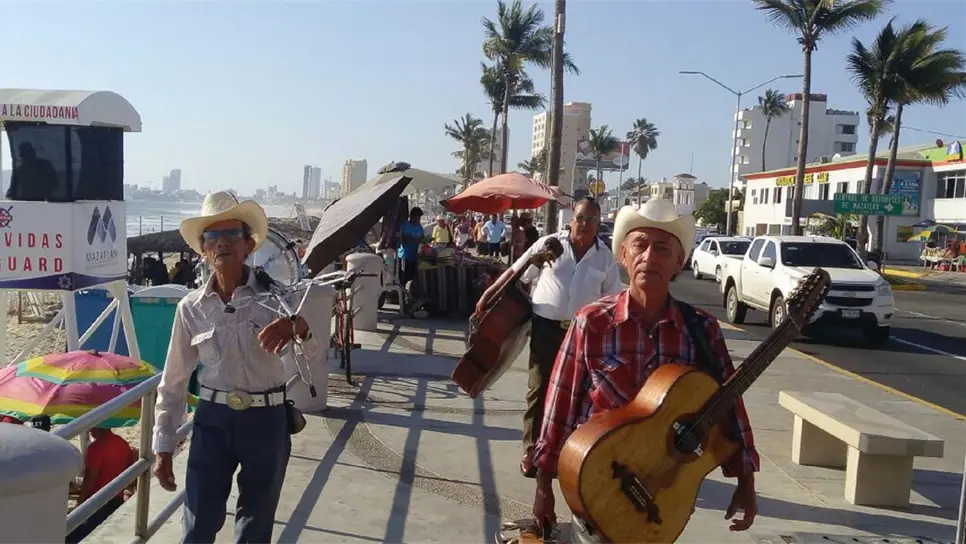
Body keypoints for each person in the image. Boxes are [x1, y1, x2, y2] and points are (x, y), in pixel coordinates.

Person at [529, 199, 760, 541]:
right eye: (640, 245)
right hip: (597, 481)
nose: (649, 256)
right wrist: (543, 486)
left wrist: (745, 480)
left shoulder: (701, 330)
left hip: (662, 497)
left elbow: (730, 405)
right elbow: (559, 407)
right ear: (623, 256)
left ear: (679, 262)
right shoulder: (592, 323)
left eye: (663, 248)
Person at [153, 191, 319, 543]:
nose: (222, 242)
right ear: (203, 249)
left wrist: (298, 328)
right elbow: (174, 380)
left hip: (267, 421)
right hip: (212, 421)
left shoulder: (279, 298)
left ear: (249, 245)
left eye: (231, 233)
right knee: (197, 524)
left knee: (254, 528)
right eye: (213, 235)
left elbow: (314, 356)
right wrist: (163, 445)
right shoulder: (190, 308)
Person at [476, 196, 621, 479]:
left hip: (581, 334)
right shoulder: (549, 244)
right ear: (571, 220)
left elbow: (612, 301)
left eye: (591, 220)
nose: (585, 224)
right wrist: (486, 296)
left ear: (598, 224)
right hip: (545, 327)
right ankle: (531, 450)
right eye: (580, 218)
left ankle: (564, 452)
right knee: (539, 387)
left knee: (575, 394)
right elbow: (517, 271)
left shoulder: (605, 258)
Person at [67, 428, 136, 544]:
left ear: (99, 427)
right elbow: (129, 468)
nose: (89, 431)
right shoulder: (122, 443)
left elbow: (91, 477)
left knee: (73, 536)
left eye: (92, 427)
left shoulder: (96, 448)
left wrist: (80, 500)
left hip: (97, 501)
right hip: (117, 499)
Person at [398, 207, 425, 306]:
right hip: (405, 256)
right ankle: (402, 300)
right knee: (404, 278)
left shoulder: (419, 226)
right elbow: (403, 239)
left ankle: (411, 299)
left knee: (413, 279)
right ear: (412, 217)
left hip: (415, 257)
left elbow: (422, 238)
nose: (419, 220)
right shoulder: (405, 225)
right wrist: (415, 239)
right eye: (418, 218)